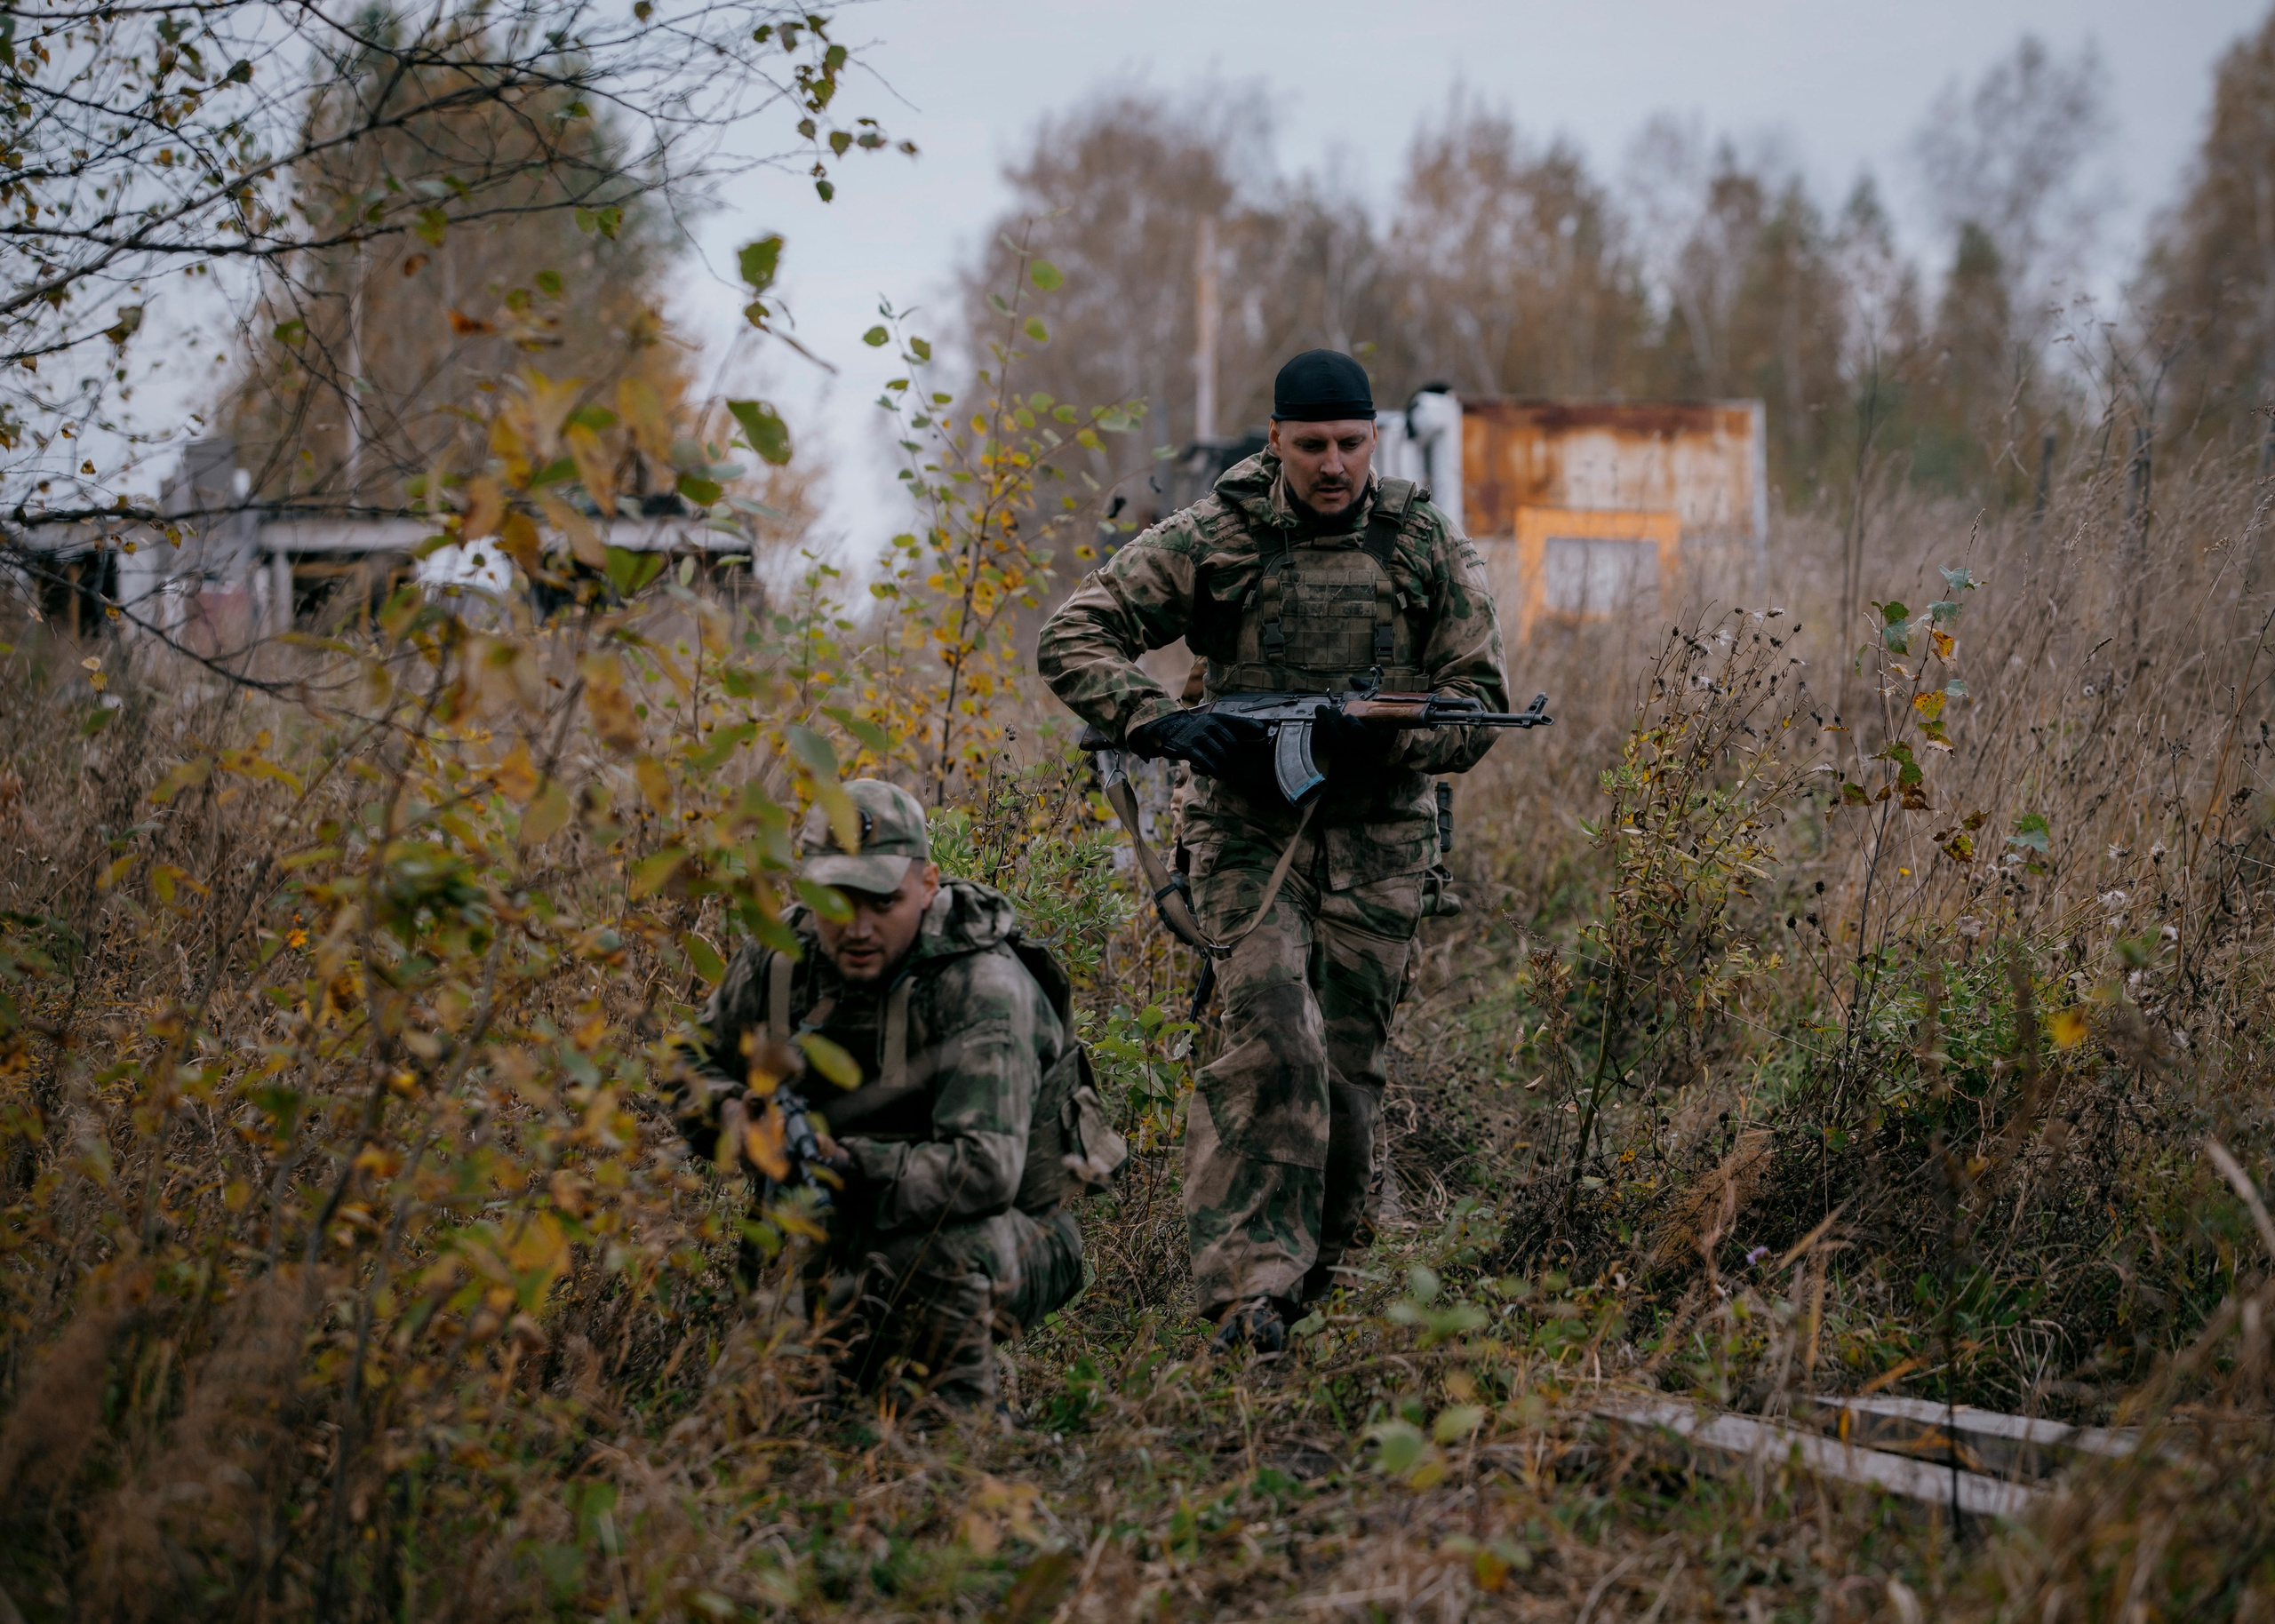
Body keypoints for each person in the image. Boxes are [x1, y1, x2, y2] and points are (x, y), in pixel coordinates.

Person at [1035, 349, 1511, 1354]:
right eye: (1311, 446)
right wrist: (1160, 723)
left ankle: (1329, 1278)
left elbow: (1480, 711)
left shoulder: (1422, 544)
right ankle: (1249, 1289)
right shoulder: (1220, 537)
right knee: (1267, 1038)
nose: (1332, 465)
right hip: (1248, 829)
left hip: (1380, 834)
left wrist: (1384, 735)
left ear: (1373, 440)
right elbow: (1073, 634)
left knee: (1345, 1059)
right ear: (1275, 441)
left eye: (1349, 444)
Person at [673, 779, 1094, 1413]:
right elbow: (686, 1064)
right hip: (834, 1218)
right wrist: (738, 1114)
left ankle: (955, 1427)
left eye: (882, 901)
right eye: (836, 901)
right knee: (759, 1409)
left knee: (926, 1250)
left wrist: (845, 1163)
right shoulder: (781, 961)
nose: (859, 927)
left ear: (927, 888)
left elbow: (984, 1173)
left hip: (1011, 1235)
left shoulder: (983, 985)